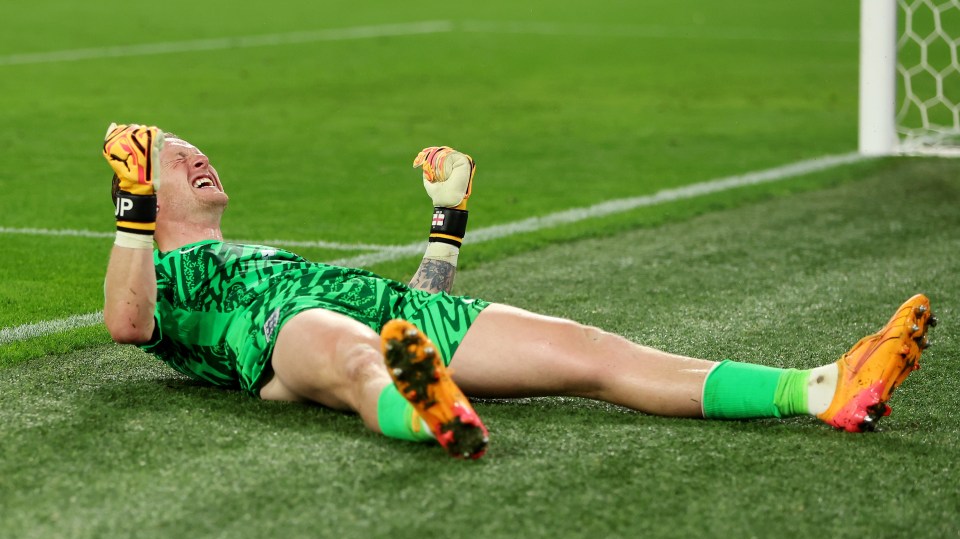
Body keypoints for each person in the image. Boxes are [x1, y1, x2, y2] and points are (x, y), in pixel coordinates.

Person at [101, 123, 937, 460]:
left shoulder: (257, 245)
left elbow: (413, 306)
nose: (195, 156)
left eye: (193, 148)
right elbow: (126, 324)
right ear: (142, 186)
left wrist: (446, 225)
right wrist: (131, 213)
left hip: (393, 311)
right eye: (173, 156)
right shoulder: (151, 263)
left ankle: (816, 388)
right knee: (359, 355)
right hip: (277, 337)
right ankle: (431, 411)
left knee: (588, 350)